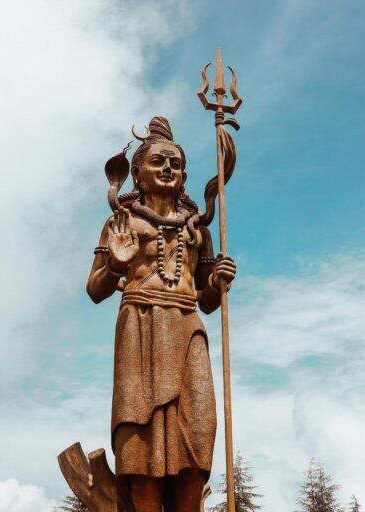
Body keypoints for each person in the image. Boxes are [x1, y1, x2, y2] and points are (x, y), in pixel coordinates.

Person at [86, 117, 236, 512]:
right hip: (140, 325)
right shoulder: (121, 221)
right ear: (137, 173)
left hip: (188, 327)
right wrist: (116, 265)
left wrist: (219, 282)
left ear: (185, 175)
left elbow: (205, 300)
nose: (168, 168)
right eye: (158, 162)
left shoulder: (197, 230)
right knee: (141, 438)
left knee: (199, 429)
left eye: (175, 163)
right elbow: (95, 290)